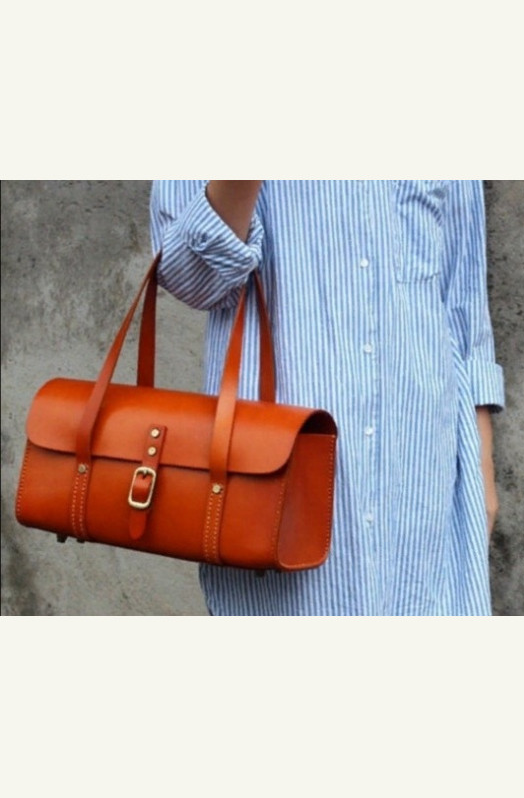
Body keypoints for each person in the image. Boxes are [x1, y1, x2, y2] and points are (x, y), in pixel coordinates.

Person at [150, 180, 505, 616]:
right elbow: (188, 275)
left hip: (419, 492)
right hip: (280, 488)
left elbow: (462, 298)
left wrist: (481, 472)